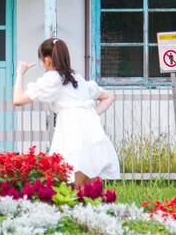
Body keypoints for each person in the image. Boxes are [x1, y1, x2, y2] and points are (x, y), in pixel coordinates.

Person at [13, 37, 119, 185]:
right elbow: (109, 96)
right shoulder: (78, 80)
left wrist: (20, 73)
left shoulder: (52, 78)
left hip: (71, 130)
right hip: (91, 130)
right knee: (89, 182)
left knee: (71, 180)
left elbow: (17, 100)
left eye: (42, 58)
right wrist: (92, 114)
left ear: (48, 59)